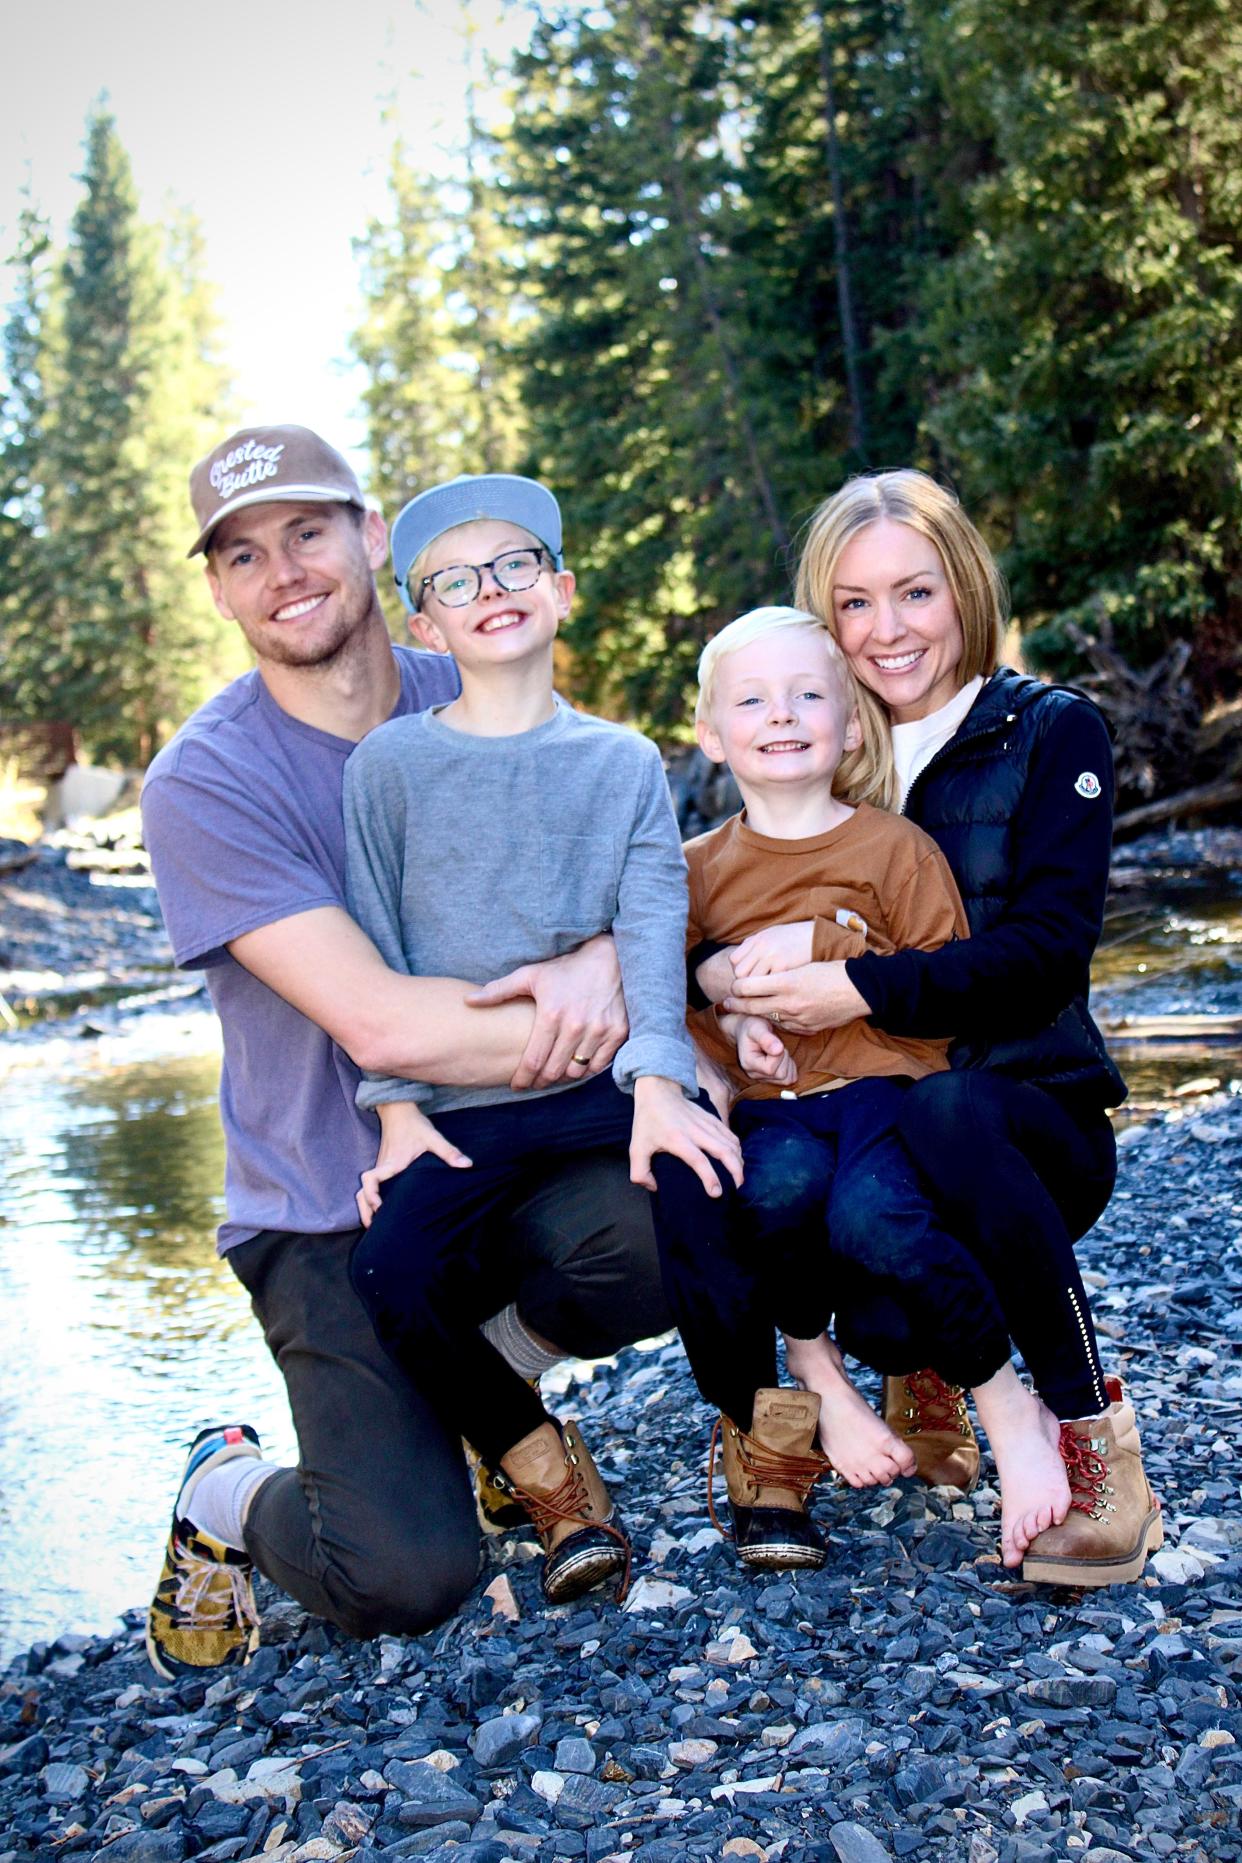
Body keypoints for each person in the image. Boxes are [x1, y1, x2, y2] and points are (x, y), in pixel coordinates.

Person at [139, 425, 675, 1677]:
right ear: (220, 588)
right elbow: (382, 1025)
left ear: (375, 539)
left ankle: (483, 1383)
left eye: (309, 532)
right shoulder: (207, 783)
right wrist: (619, 1005)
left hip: (502, 1153)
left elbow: (639, 863)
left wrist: (613, 960)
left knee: (674, 1208)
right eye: (244, 553)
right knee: (406, 1576)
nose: (285, 571)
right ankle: (221, 1491)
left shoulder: (475, 676)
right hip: (327, 1204)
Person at [704, 471, 1161, 1587]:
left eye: (914, 593)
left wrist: (859, 988)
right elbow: (711, 908)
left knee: (951, 1114)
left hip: (1022, 1117)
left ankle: (1095, 1445)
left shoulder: (1051, 733)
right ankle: (911, 1376)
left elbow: (1048, 951)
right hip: (865, 1121)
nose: (888, 630)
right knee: (846, 1247)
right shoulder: (819, 738)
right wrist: (721, 987)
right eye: (855, 604)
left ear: (962, 589)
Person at [340, 471, 741, 1606]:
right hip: (464, 1104)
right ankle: (545, 1472)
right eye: (456, 581)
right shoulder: (390, 769)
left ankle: (762, 1448)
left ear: (560, 592)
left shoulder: (618, 761)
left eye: (516, 565)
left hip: (593, 1084)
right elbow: (374, 940)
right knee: (391, 1269)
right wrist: (399, 1114)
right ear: (427, 624)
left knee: (703, 1174)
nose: (492, 590)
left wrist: (663, 1079)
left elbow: (653, 919)